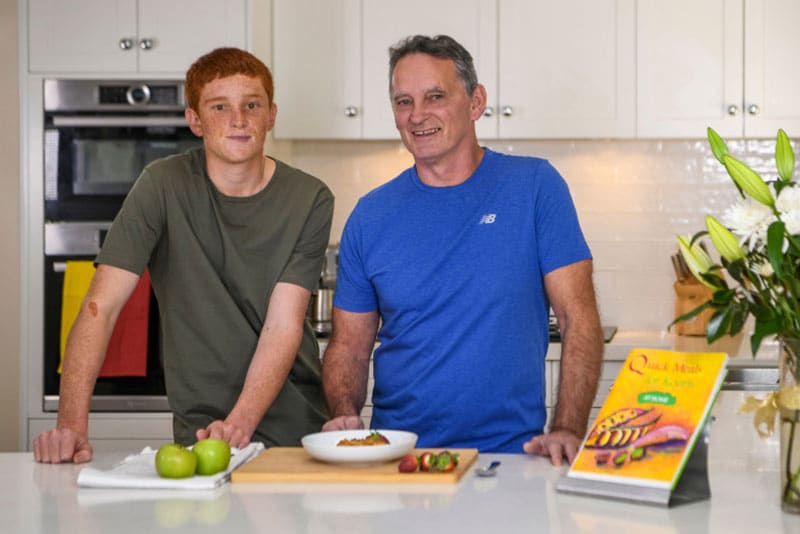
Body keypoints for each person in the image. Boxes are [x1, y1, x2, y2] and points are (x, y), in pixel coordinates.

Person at [33, 47, 334, 464]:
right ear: (195, 119)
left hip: (296, 431)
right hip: (201, 431)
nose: (239, 119)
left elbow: (282, 325)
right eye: (219, 107)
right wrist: (71, 426)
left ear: (271, 114)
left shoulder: (310, 197)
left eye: (252, 105)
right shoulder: (162, 184)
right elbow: (101, 308)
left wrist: (240, 424)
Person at [321, 35, 603, 464]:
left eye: (435, 97)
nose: (417, 116)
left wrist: (566, 427)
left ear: (476, 102)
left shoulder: (535, 188)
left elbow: (578, 318)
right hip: (401, 458)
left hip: (510, 457)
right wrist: (344, 414)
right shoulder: (370, 215)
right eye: (403, 102)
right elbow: (349, 347)